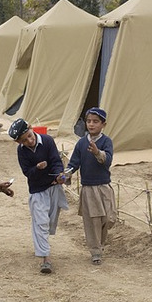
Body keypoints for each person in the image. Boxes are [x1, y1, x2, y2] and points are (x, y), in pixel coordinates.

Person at [8, 118, 68, 274]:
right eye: (24, 140)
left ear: (31, 128)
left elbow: (56, 161)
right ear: (18, 142)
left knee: (50, 221)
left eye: (29, 135)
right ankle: (45, 259)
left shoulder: (47, 141)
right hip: (37, 190)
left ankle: (42, 245)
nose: (29, 140)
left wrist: (59, 174)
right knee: (40, 222)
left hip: (53, 186)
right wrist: (37, 168)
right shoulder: (22, 151)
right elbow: (28, 173)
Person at [60, 107, 117, 265]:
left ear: (103, 124)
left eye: (95, 122)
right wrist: (66, 175)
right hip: (89, 188)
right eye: (89, 121)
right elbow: (74, 164)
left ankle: (100, 244)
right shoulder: (81, 143)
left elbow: (108, 160)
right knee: (93, 221)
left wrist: (98, 152)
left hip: (104, 186)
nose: (91, 124)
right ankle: (95, 251)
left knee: (109, 218)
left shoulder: (106, 142)